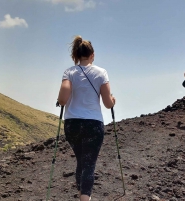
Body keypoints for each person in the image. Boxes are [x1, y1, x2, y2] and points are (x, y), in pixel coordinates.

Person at [57, 36, 115, 201]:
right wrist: (114, 100)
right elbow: (108, 103)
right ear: (92, 55)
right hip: (93, 124)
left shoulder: (69, 72)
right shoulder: (101, 73)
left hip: (72, 124)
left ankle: (81, 195)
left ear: (76, 54)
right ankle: (85, 198)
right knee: (89, 164)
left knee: (81, 161)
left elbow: (62, 100)